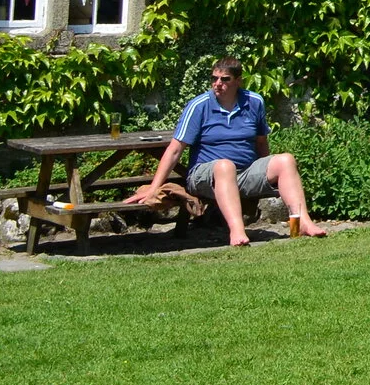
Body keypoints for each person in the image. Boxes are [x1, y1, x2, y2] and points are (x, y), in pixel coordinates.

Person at [130, 57, 326, 246]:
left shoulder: (254, 102)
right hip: (205, 175)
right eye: (214, 79)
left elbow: (261, 142)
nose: (217, 84)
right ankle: (237, 231)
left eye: (224, 79)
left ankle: (302, 223)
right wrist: (155, 187)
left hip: (244, 172)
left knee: (286, 160)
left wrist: (265, 172)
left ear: (238, 81)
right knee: (225, 166)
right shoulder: (198, 106)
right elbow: (174, 150)